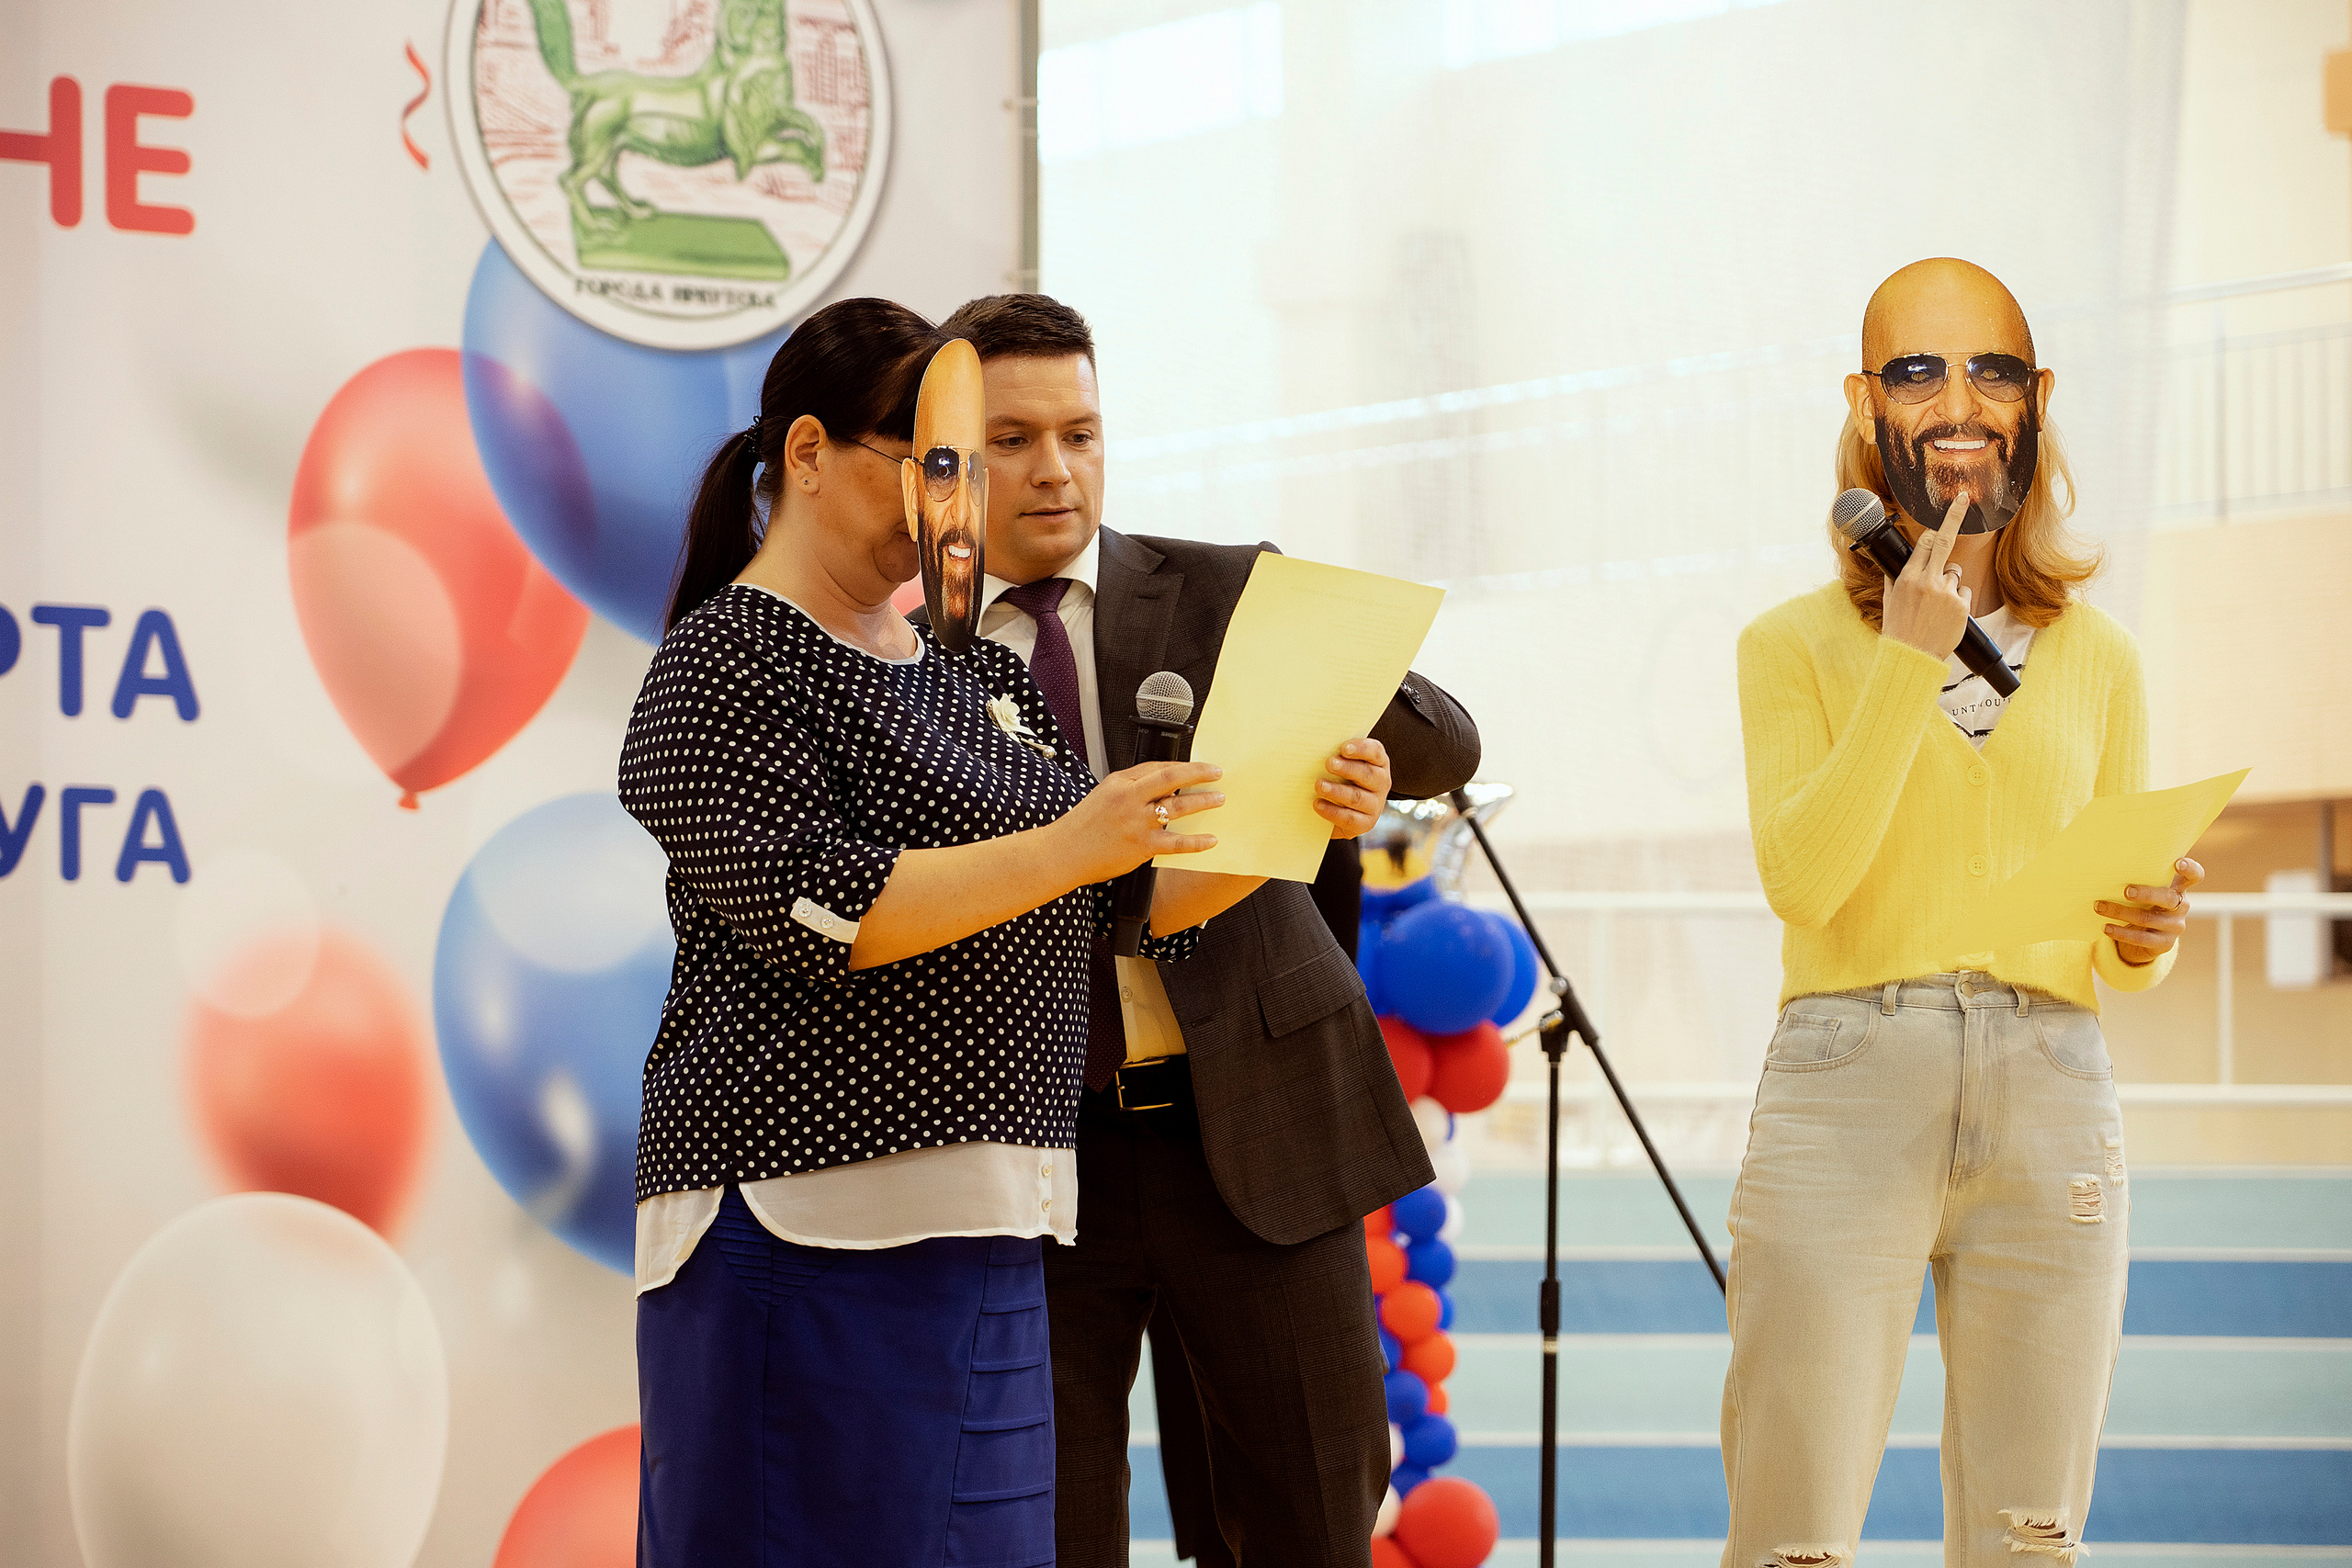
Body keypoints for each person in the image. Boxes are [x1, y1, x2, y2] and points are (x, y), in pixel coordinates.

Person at [617, 297, 1267, 1568]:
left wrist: (1291, 814)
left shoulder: (978, 675)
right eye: (926, 464)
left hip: (991, 1229)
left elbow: (1129, 914)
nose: (949, 507)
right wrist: (1077, 843)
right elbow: (815, 906)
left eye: (954, 472)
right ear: (808, 455)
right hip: (796, 1226)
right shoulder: (720, 664)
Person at [933, 292, 1483, 1568]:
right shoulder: (910, 661)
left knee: (1307, 1522)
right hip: (1033, 1156)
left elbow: (1445, 739)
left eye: (1080, 430)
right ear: (947, 457)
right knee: (1046, 1532)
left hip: (1261, 1126)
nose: (1056, 468)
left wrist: (1362, 760)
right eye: (1012, 438)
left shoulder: (1226, 590)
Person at [1722, 258, 2203, 1568]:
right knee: (1793, 1536)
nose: (1958, 400)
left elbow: (2119, 933)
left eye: (1991, 368)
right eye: (1917, 369)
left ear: (2034, 399)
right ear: (1866, 402)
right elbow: (1806, 882)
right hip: (1846, 1082)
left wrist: (2142, 936)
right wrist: (1905, 662)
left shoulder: (2102, 657)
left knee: (2029, 1536)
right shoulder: (1791, 647)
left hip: (2054, 1091)